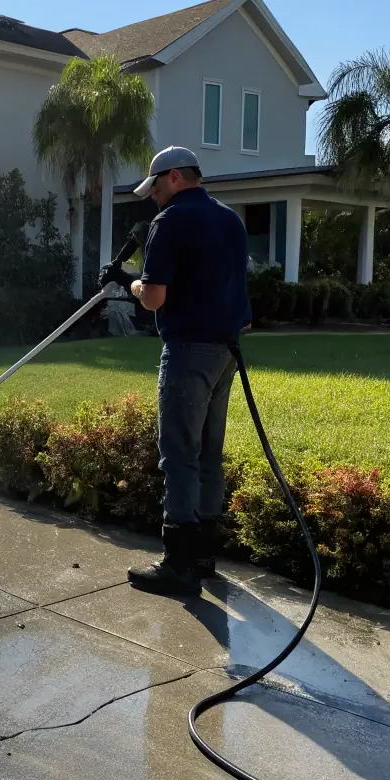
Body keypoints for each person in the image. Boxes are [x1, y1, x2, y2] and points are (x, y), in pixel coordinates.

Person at [99, 146, 251, 595]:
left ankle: (178, 565)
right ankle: (203, 557)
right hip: (226, 351)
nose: (154, 197)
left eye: (156, 187)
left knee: (179, 455)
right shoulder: (230, 220)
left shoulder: (171, 221)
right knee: (208, 453)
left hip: (187, 350)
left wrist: (124, 279)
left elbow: (154, 297)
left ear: (174, 178)